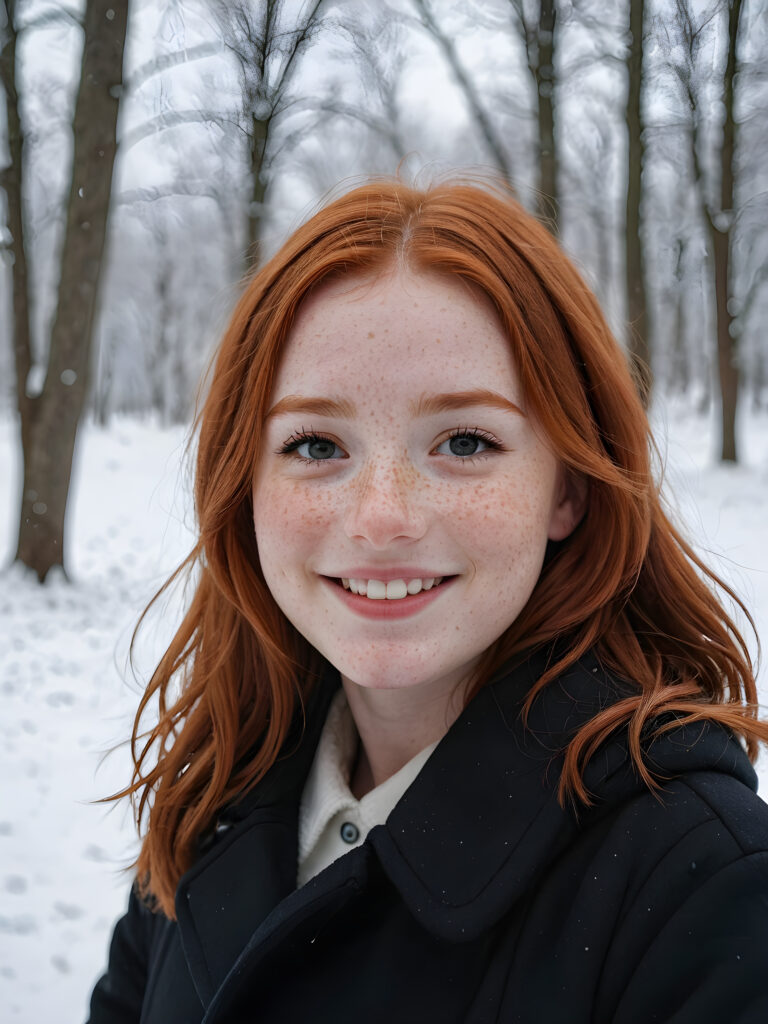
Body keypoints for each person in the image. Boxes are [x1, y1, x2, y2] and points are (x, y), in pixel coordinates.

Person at [87, 180, 768, 1024]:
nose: (382, 519)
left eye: (466, 441)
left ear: (569, 488)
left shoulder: (702, 882)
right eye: (315, 444)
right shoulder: (219, 793)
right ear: (245, 485)